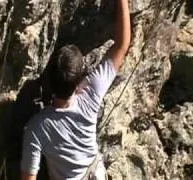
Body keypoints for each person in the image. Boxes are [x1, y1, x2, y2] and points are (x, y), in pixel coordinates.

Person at [21, 0, 131, 179]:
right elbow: (122, 45)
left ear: (47, 79)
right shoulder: (90, 94)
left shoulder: (37, 128)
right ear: (79, 80)